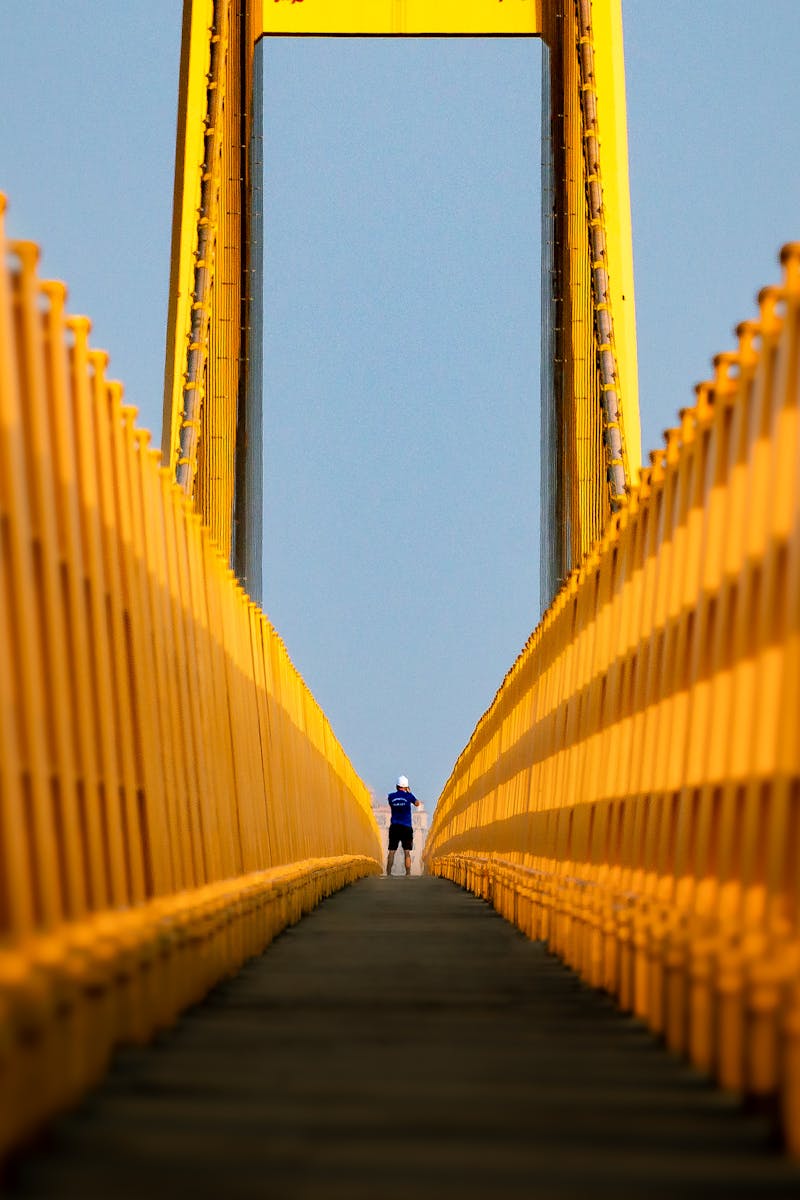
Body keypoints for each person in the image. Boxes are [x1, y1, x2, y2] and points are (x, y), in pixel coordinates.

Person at [385, 775, 421, 876]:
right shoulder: (409, 796)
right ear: (406, 787)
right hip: (406, 827)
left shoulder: (391, 796)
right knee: (407, 852)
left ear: (397, 786)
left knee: (391, 851)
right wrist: (410, 793)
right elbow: (417, 804)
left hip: (395, 826)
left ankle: (388, 873)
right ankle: (408, 873)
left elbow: (391, 804)